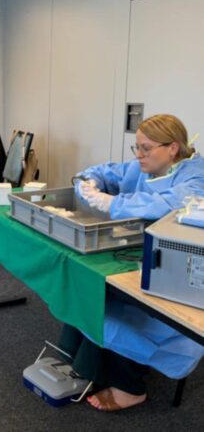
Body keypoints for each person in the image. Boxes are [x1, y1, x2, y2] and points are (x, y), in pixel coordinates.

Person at [63, 113, 204, 411]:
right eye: (136, 147)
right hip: (137, 255)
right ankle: (86, 363)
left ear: (173, 148)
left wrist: (111, 202)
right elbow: (106, 172)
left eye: (146, 148)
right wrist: (88, 182)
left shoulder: (195, 176)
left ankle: (130, 387)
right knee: (88, 289)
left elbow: (168, 204)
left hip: (179, 274)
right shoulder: (141, 168)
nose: (138, 154)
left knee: (124, 305)